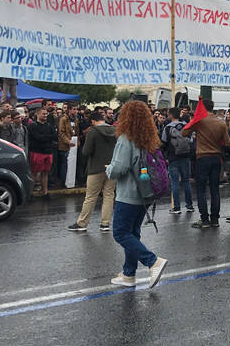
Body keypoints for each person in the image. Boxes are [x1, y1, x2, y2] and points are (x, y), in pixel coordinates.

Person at [105, 101, 168, 288]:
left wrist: (109, 170)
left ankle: (153, 261)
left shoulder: (126, 139)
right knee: (132, 232)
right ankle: (128, 274)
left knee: (120, 233)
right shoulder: (149, 138)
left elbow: (120, 168)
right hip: (145, 193)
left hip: (129, 194)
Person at [183, 100, 230, 228]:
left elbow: (184, 133)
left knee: (201, 189)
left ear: (203, 109)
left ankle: (204, 219)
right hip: (216, 158)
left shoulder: (200, 121)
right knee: (214, 189)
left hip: (202, 158)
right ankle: (215, 219)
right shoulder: (220, 123)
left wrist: (194, 120)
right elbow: (228, 144)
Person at [67, 112, 117, 232]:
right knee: (109, 195)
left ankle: (82, 223)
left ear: (93, 121)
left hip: (95, 168)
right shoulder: (115, 130)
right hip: (111, 167)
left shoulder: (93, 132)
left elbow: (86, 151)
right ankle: (105, 223)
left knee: (90, 196)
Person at [162, 108, 194, 215]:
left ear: (170, 115)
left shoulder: (168, 127)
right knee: (186, 181)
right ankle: (189, 206)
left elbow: (164, 142)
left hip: (173, 158)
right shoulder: (186, 125)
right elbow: (191, 140)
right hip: (185, 156)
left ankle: (176, 207)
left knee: (175, 183)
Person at [28, 108, 57, 199]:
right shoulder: (33, 125)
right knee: (34, 173)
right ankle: (30, 193)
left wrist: (45, 137)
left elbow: (55, 136)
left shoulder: (49, 125)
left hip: (48, 152)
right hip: (37, 152)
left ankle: (45, 192)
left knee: (45, 172)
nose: (45, 115)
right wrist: (48, 137)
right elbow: (38, 138)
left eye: (46, 114)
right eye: (43, 114)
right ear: (37, 114)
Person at [57, 103, 79, 186]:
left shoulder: (76, 119)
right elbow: (61, 132)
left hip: (74, 143)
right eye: (74, 109)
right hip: (65, 145)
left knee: (72, 163)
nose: (75, 111)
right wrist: (68, 141)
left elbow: (77, 131)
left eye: (76, 109)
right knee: (65, 164)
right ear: (69, 110)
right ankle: (63, 181)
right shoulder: (63, 119)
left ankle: (71, 180)